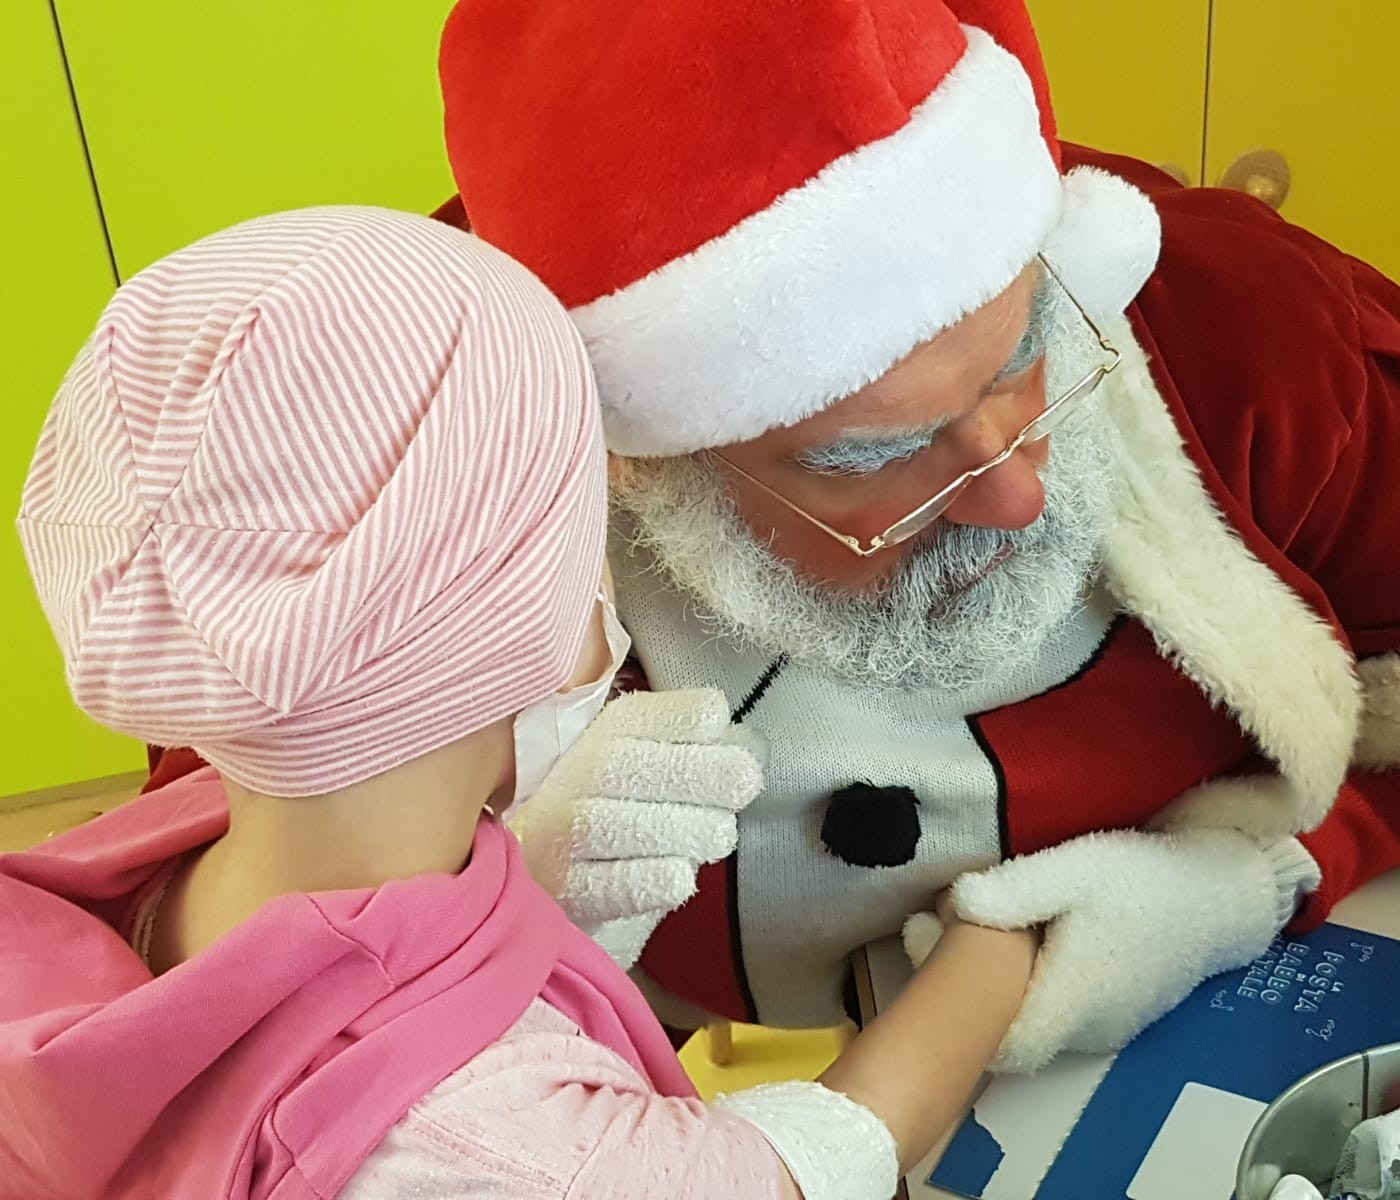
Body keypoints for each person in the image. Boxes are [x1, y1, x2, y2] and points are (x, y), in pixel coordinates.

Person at [436, 0, 1400, 1070]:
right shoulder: (431, 467)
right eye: (874, 459)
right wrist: (504, 914)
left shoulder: (1252, 338)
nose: (1016, 500)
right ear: (644, 464)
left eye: (1023, 362)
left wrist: (1247, 875)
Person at [0, 206, 1042, 1199]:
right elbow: (818, 1157)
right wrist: (1006, 942)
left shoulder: (135, 869)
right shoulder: (509, 1159)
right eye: (585, 545)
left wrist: (527, 902)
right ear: (512, 613)